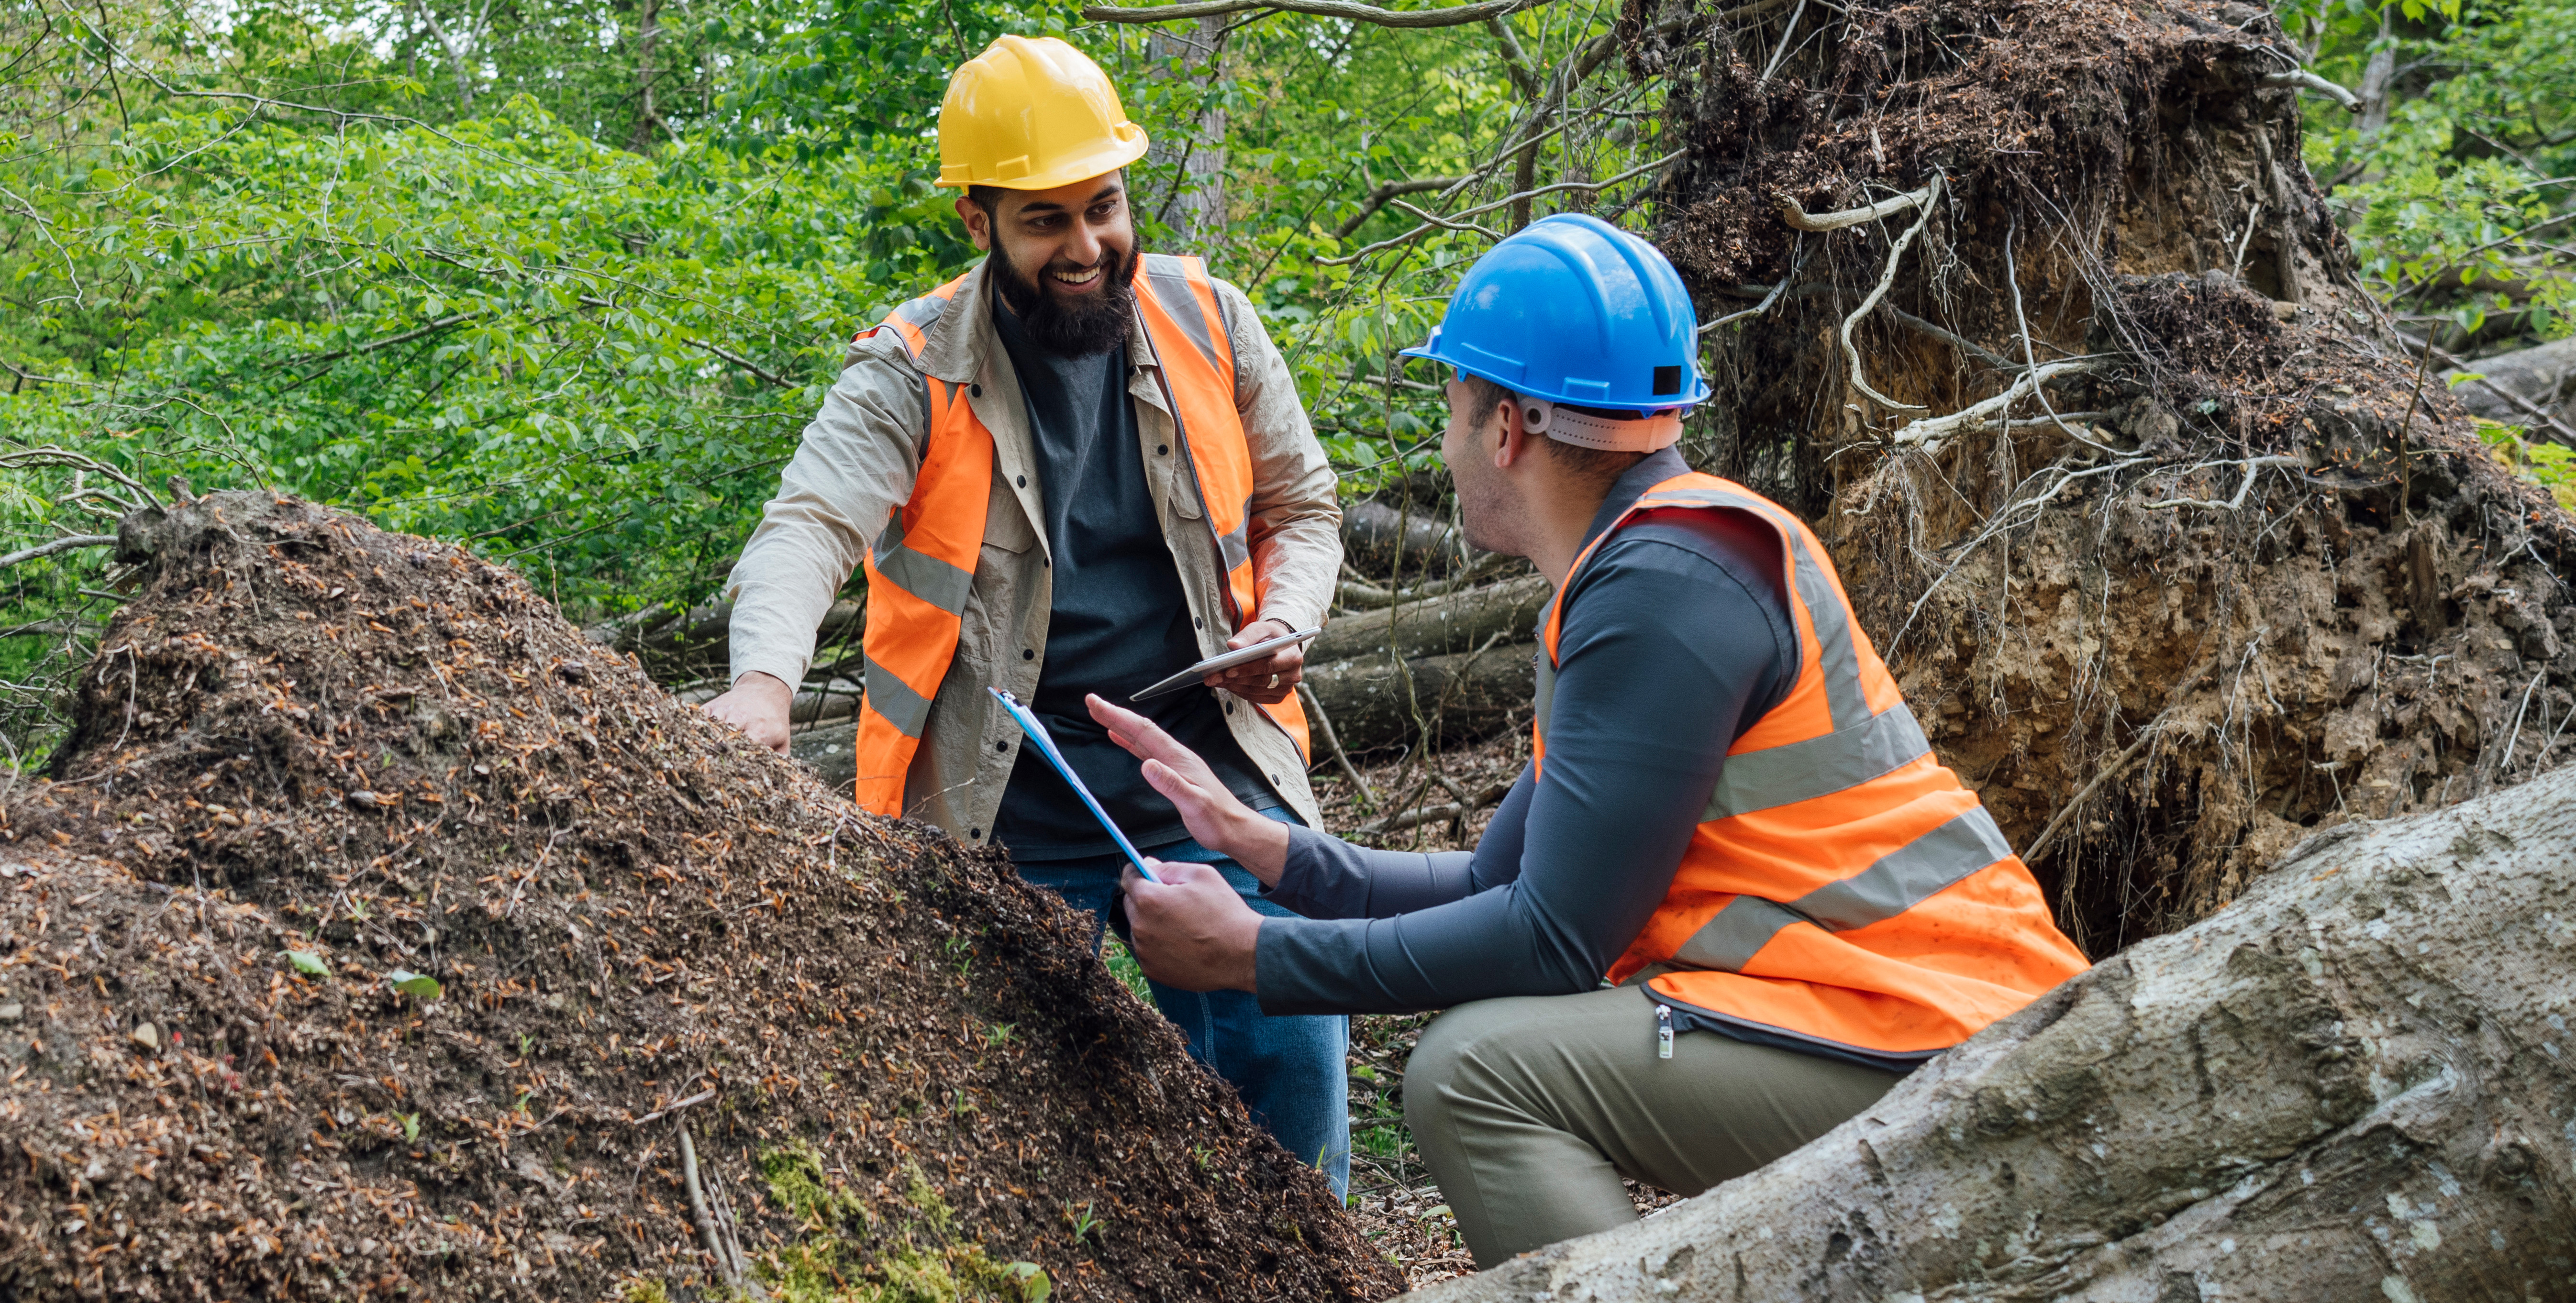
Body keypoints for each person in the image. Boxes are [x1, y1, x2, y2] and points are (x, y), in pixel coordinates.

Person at [1091, 213, 2092, 1260]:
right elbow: (1499, 880)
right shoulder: (1647, 566)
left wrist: (1257, 956)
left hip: (1944, 1037)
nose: (1445, 438)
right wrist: (1277, 856)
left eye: (1452, 402)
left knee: (1476, 1074)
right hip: (1889, 1015)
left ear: (1506, 430)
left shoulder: (1661, 590)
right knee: (1481, 1055)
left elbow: (1548, 942)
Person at [699, 35, 1353, 1193]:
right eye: (1044, 221)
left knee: (1287, 1096)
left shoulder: (1210, 319)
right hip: (997, 816)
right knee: (1014, 1156)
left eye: (1101, 207)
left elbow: (1304, 510)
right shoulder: (911, 368)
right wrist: (761, 685)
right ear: (977, 222)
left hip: (1213, 786)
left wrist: (1285, 619)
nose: (1086, 247)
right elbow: (806, 527)